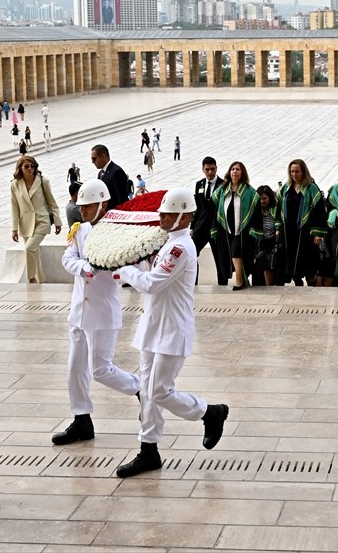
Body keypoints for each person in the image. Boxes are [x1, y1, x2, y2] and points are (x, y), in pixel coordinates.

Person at [114, 189, 230, 477]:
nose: (161, 217)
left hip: (172, 329)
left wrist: (125, 270)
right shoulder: (167, 244)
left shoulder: (181, 248)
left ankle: (207, 412)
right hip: (153, 326)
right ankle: (148, 450)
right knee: (147, 391)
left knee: (158, 390)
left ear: (184, 216)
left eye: (167, 213)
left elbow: (152, 283)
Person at [52, 179, 141, 446]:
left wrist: (106, 268)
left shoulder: (118, 231)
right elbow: (68, 258)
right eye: (80, 206)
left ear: (102, 204)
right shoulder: (79, 230)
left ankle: (141, 389)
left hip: (102, 310)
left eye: (88, 206)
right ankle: (81, 418)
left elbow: (123, 268)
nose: (82, 211)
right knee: (74, 368)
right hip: (79, 309)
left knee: (101, 369)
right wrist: (85, 268)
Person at [9, 155, 63, 283]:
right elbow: (14, 208)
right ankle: (41, 282)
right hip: (25, 223)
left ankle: (31, 279)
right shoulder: (15, 185)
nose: (29, 169)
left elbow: (52, 203)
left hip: (42, 221)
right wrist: (14, 229)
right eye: (26, 166)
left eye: (32, 166)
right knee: (34, 253)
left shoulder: (43, 181)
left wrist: (57, 222)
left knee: (29, 248)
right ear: (20, 168)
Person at [276, 159, 327, 287]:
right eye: (292, 171)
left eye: (297, 171)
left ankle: (311, 287)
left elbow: (319, 211)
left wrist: (318, 233)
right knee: (291, 260)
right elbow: (278, 209)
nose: (294, 174)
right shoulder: (285, 189)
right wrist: (278, 227)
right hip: (289, 231)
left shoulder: (311, 188)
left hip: (306, 232)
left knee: (308, 261)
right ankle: (297, 284)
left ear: (303, 171)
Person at [215, 161, 258, 290]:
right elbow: (215, 206)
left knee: (236, 253)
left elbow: (256, 211)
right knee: (232, 255)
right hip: (227, 230)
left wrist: (254, 230)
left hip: (243, 230)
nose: (234, 171)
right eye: (232, 169)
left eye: (238, 169)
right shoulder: (223, 189)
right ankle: (243, 280)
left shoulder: (249, 191)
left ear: (242, 172)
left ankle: (239, 281)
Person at [192, 157, 232, 287]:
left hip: (217, 228)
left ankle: (222, 285)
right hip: (201, 227)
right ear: (203, 170)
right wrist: (192, 227)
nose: (210, 172)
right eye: (207, 170)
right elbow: (197, 208)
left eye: (212, 169)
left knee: (220, 258)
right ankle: (193, 283)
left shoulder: (224, 184)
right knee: (191, 254)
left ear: (216, 168)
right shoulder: (199, 184)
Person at [252, 186, 279, 286]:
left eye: (264, 198)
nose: (262, 201)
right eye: (260, 199)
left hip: (272, 243)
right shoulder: (256, 211)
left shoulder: (275, 210)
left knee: (271, 268)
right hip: (260, 243)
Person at [91, 144, 131, 210]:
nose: (92, 162)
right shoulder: (100, 173)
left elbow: (123, 199)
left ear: (103, 156)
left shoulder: (116, 172)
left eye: (94, 159)